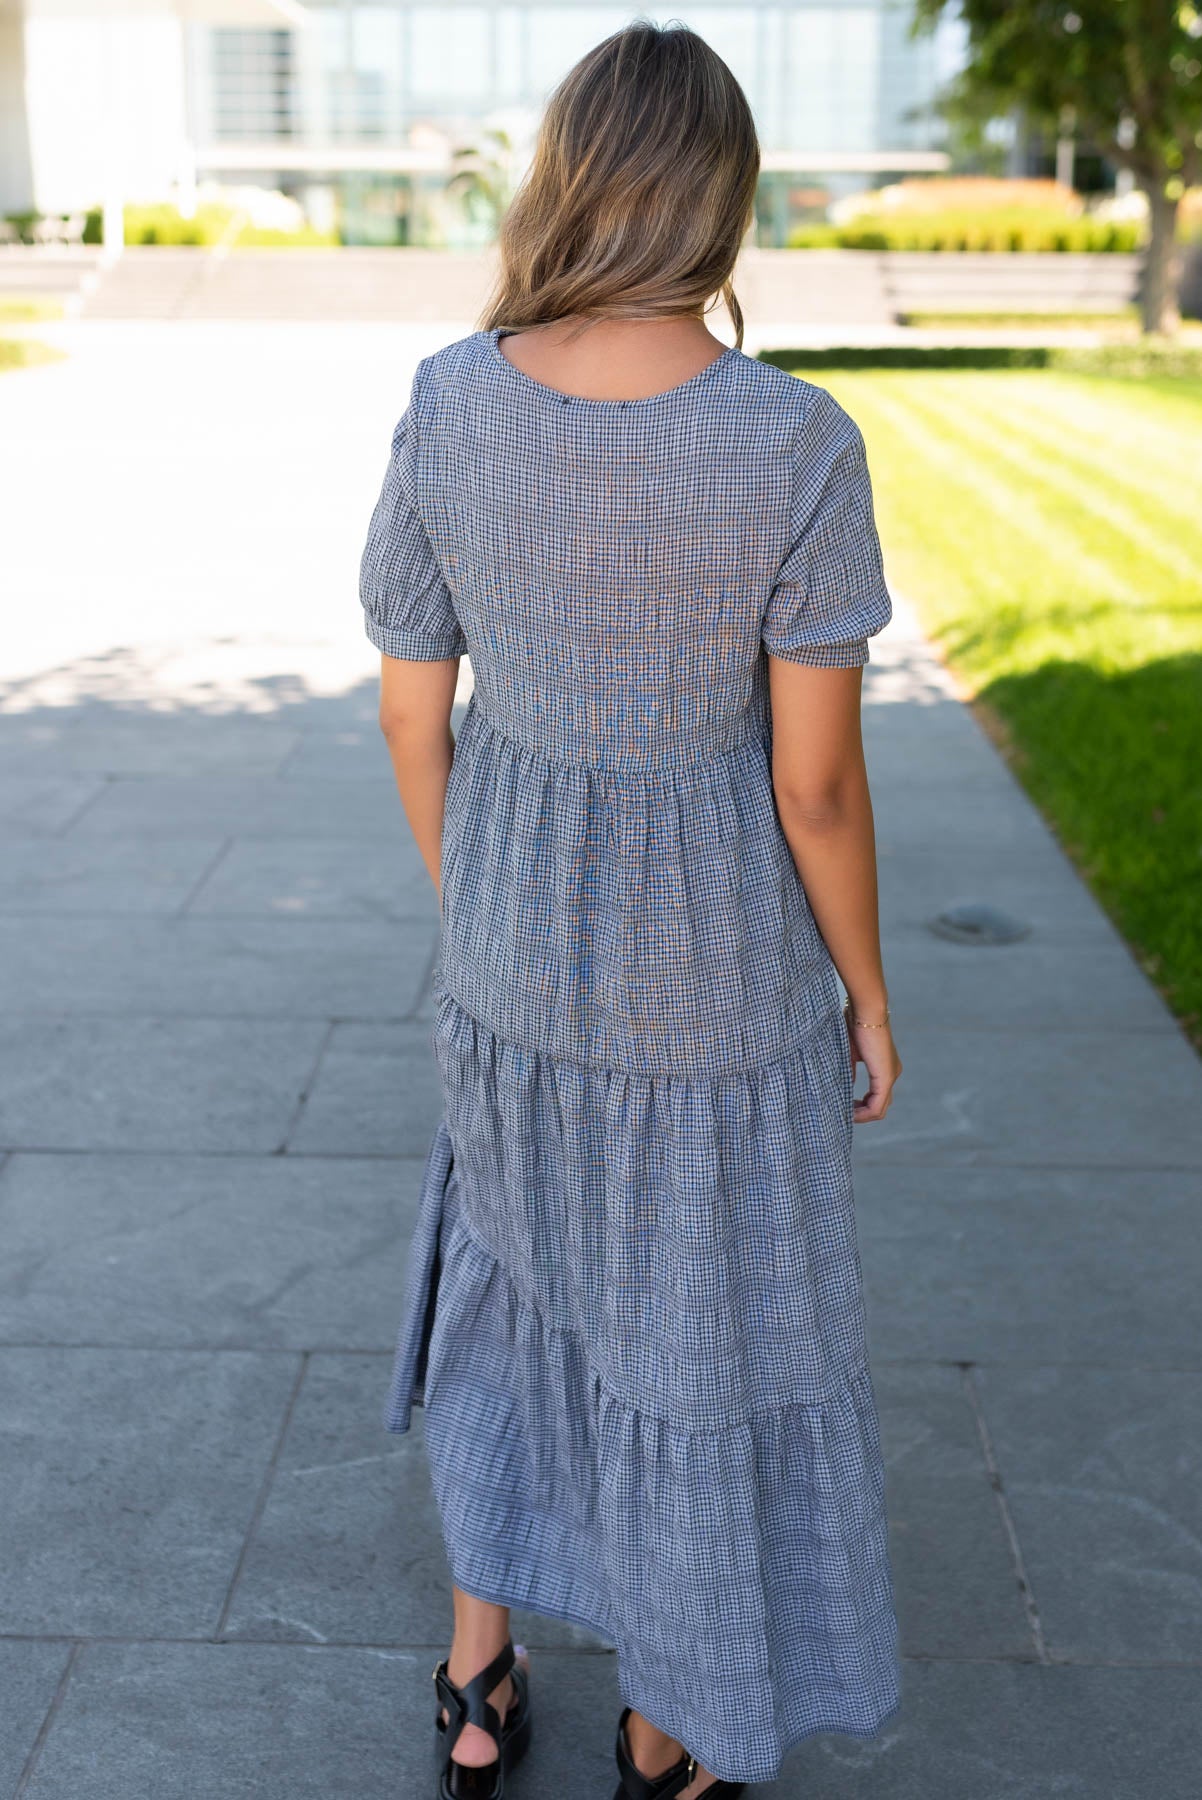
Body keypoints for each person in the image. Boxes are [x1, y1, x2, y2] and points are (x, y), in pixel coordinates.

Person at [360, 21, 903, 1799]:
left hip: (513, 955)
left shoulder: (452, 398)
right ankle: (668, 1723)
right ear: (723, 197)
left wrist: (484, 904)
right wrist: (867, 991)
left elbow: (407, 706)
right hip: (716, 984)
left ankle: (472, 1681)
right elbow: (813, 786)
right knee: (691, 1337)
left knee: (510, 1302)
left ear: (567, 174)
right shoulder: (795, 441)